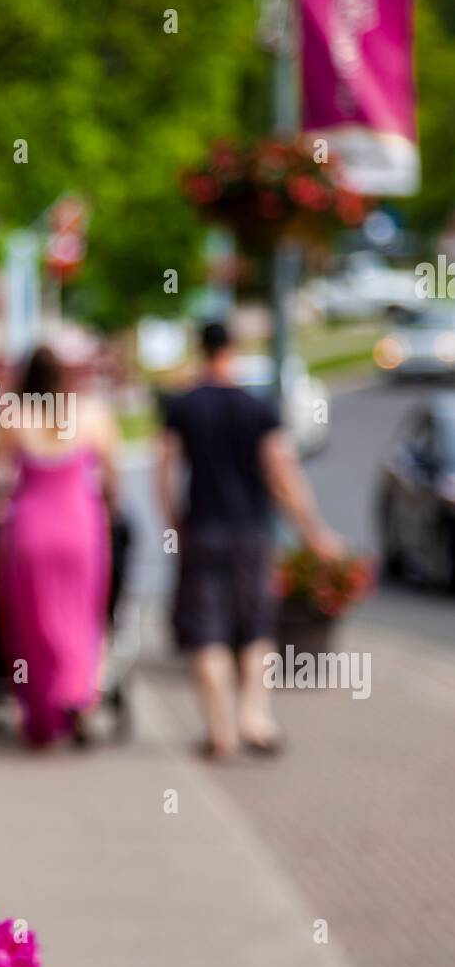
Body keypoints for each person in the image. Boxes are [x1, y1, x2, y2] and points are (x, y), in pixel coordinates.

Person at [155, 320, 343, 760]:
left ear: (200, 350)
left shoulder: (183, 406)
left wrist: (174, 521)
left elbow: (163, 470)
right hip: (252, 532)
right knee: (256, 628)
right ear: (233, 350)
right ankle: (255, 720)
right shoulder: (257, 408)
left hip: (202, 529)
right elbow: (283, 475)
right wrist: (313, 531)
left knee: (207, 632)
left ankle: (220, 732)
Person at [0, 345, 119, 747]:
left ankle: (42, 715)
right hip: (81, 529)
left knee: (33, 623)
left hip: (29, 532)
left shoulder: (14, 418)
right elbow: (112, 478)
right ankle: (77, 694)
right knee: (81, 617)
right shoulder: (94, 416)